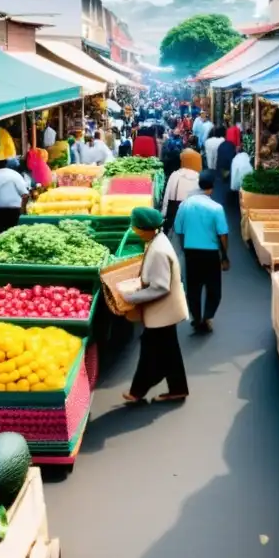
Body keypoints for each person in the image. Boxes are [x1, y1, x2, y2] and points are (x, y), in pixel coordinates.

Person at [121, 207, 190, 404]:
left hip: (162, 312)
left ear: (145, 229)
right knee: (169, 350)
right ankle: (177, 389)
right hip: (167, 311)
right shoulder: (158, 240)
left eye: (135, 226)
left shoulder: (158, 251)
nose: (134, 230)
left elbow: (160, 287)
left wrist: (131, 297)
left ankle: (138, 390)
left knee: (150, 350)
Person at [175, 170, 229, 333]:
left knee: (193, 288)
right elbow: (223, 235)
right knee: (214, 289)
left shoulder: (185, 204)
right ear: (211, 188)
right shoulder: (216, 208)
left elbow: (179, 230)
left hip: (191, 253)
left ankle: (196, 318)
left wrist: (184, 249)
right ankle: (207, 317)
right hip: (211, 254)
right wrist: (225, 256)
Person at [162, 148, 202, 234]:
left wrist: (164, 214)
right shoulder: (199, 178)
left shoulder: (175, 175)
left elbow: (167, 197)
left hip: (175, 215)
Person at [0, 158, 29, 233]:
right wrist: (23, 210)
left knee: (0, 232)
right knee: (14, 232)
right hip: (15, 210)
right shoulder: (15, 175)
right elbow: (25, 194)